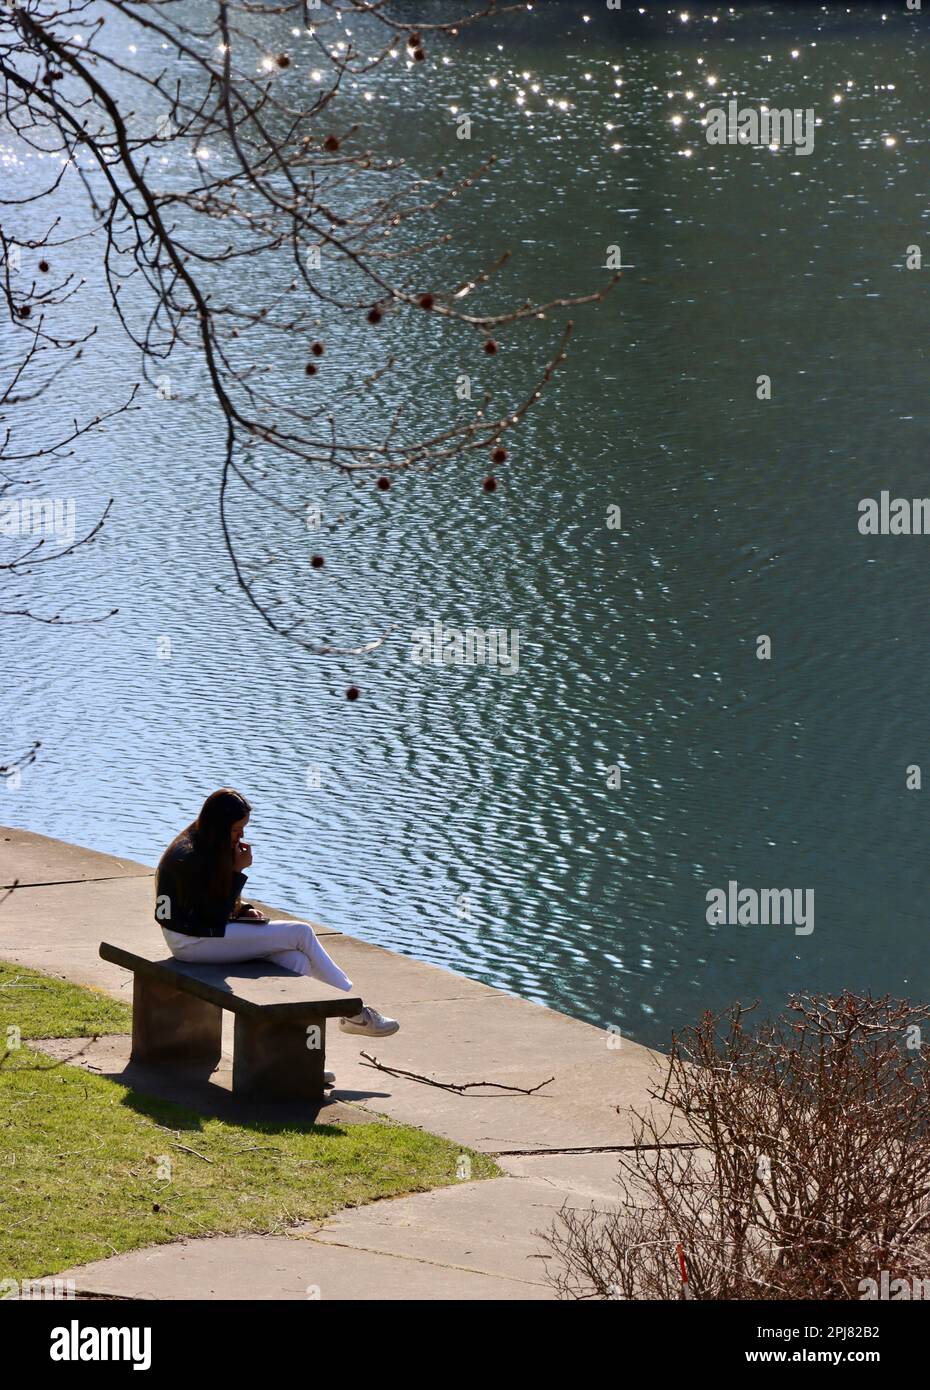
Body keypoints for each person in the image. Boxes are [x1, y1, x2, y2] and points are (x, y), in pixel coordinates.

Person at [154, 790, 400, 1077]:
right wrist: (237, 872)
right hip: (192, 942)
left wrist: (243, 909)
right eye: (236, 829)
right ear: (219, 825)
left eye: (243, 828)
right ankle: (355, 1011)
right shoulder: (191, 856)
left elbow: (209, 904)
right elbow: (212, 915)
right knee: (301, 933)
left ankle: (298, 1063)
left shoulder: (202, 844)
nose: (240, 836)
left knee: (296, 963)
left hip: (197, 936)